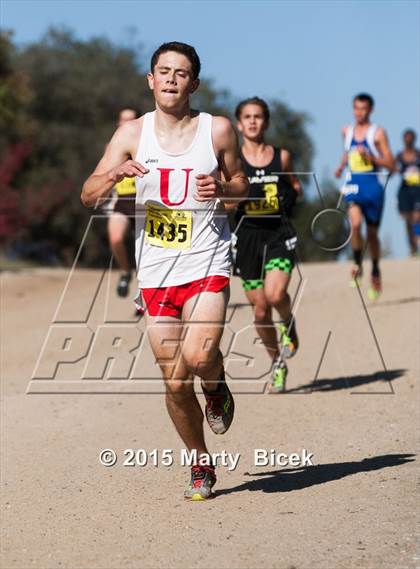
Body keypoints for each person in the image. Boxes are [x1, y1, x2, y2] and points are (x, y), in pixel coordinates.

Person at [81, 42, 248, 500]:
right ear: (150, 80)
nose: (172, 78)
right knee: (174, 379)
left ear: (194, 83)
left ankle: (215, 387)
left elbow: (240, 186)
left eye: (182, 72)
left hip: (207, 259)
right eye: (164, 71)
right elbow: (88, 193)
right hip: (156, 272)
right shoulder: (131, 134)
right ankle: (199, 460)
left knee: (199, 357)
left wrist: (223, 189)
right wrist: (115, 176)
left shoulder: (218, 131)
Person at [232, 97, 301, 393]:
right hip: (247, 237)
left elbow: (295, 186)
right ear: (238, 123)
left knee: (275, 294)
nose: (252, 121)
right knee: (260, 312)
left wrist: (288, 201)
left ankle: (288, 323)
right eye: (247, 116)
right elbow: (226, 194)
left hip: (277, 234)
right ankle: (277, 363)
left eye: (258, 116)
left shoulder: (280, 157)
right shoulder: (232, 159)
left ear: (266, 122)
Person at [335, 93, 394, 300]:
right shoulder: (346, 131)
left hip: (373, 189)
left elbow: (391, 165)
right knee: (355, 224)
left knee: (372, 235)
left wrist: (372, 157)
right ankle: (358, 262)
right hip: (353, 186)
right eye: (356, 108)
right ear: (352, 109)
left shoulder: (377, 134)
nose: (359, 112)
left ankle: (376, 270)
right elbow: (346, 152)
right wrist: (341, 166)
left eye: (363, 108)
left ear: (370, 110)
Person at [107, 108, 138, 297]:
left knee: (147, 250)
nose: (126, 123)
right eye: (123, 119)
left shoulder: (148, 143)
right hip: (122, 200)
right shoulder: (112, 146)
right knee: (115, 237)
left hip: (145, 202)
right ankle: (126, 272)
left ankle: (146, 294)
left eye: (131, 120)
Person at [395, 129, 420, 256]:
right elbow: (392, 168)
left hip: (417, 190)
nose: (408, 140)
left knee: (417, 217)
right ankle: (413, 247)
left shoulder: (418, 154)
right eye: (406, 138)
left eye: (410, 138)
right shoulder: (399, 155)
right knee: (408, 220)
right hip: (404, 192)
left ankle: (418, 242)